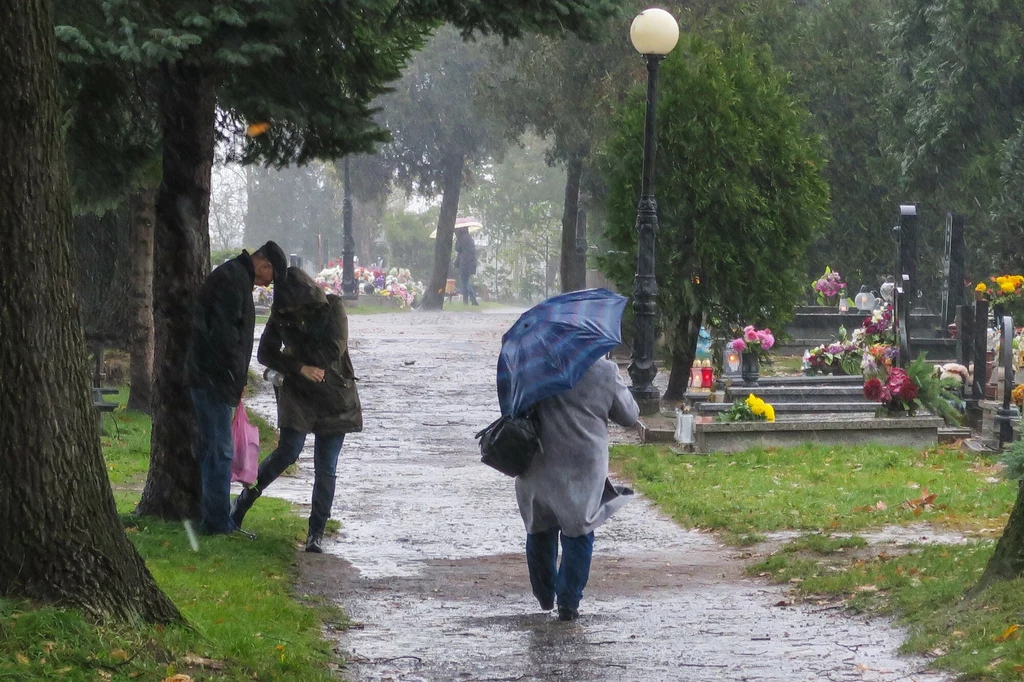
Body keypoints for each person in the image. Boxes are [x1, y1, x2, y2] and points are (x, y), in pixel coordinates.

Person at [230, 267, 363, 552]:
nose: (290, 310)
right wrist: (298, 366)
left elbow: (333, 350)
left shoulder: (333, 308)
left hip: (334, 393)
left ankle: (316, 532)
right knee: (287, 452)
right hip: (298, 391)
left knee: (326, 467)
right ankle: (241, 505)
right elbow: (265, 353)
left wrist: (292, 351)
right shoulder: (281, 314)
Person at [515, 358, 639, 621]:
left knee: (539, 526)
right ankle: (568, 603)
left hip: (539, 459)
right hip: (583, 464)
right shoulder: (605, 371)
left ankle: (545, 595)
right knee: (579, 530)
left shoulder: (534, 367)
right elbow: (629, 416)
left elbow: (514, 407)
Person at [188, 241, 287, 536]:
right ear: (264, 265)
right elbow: (226, 338)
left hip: (213, 378)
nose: (266, 285)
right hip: (213, 379)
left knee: (215, 450)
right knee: (219, 451)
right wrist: (234, 379)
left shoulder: (235, 278)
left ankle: (216, 518)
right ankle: (218, 524)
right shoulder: (233, 281)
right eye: (269, 278)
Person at [454, 227, 479, 306]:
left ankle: (471, 300)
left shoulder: (461, 239)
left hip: (464, 263)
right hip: (470, 263)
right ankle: (470, 300)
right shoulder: (470, 238)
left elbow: (457, 248)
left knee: (465, 283)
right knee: (466, 281)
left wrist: (457, 238)